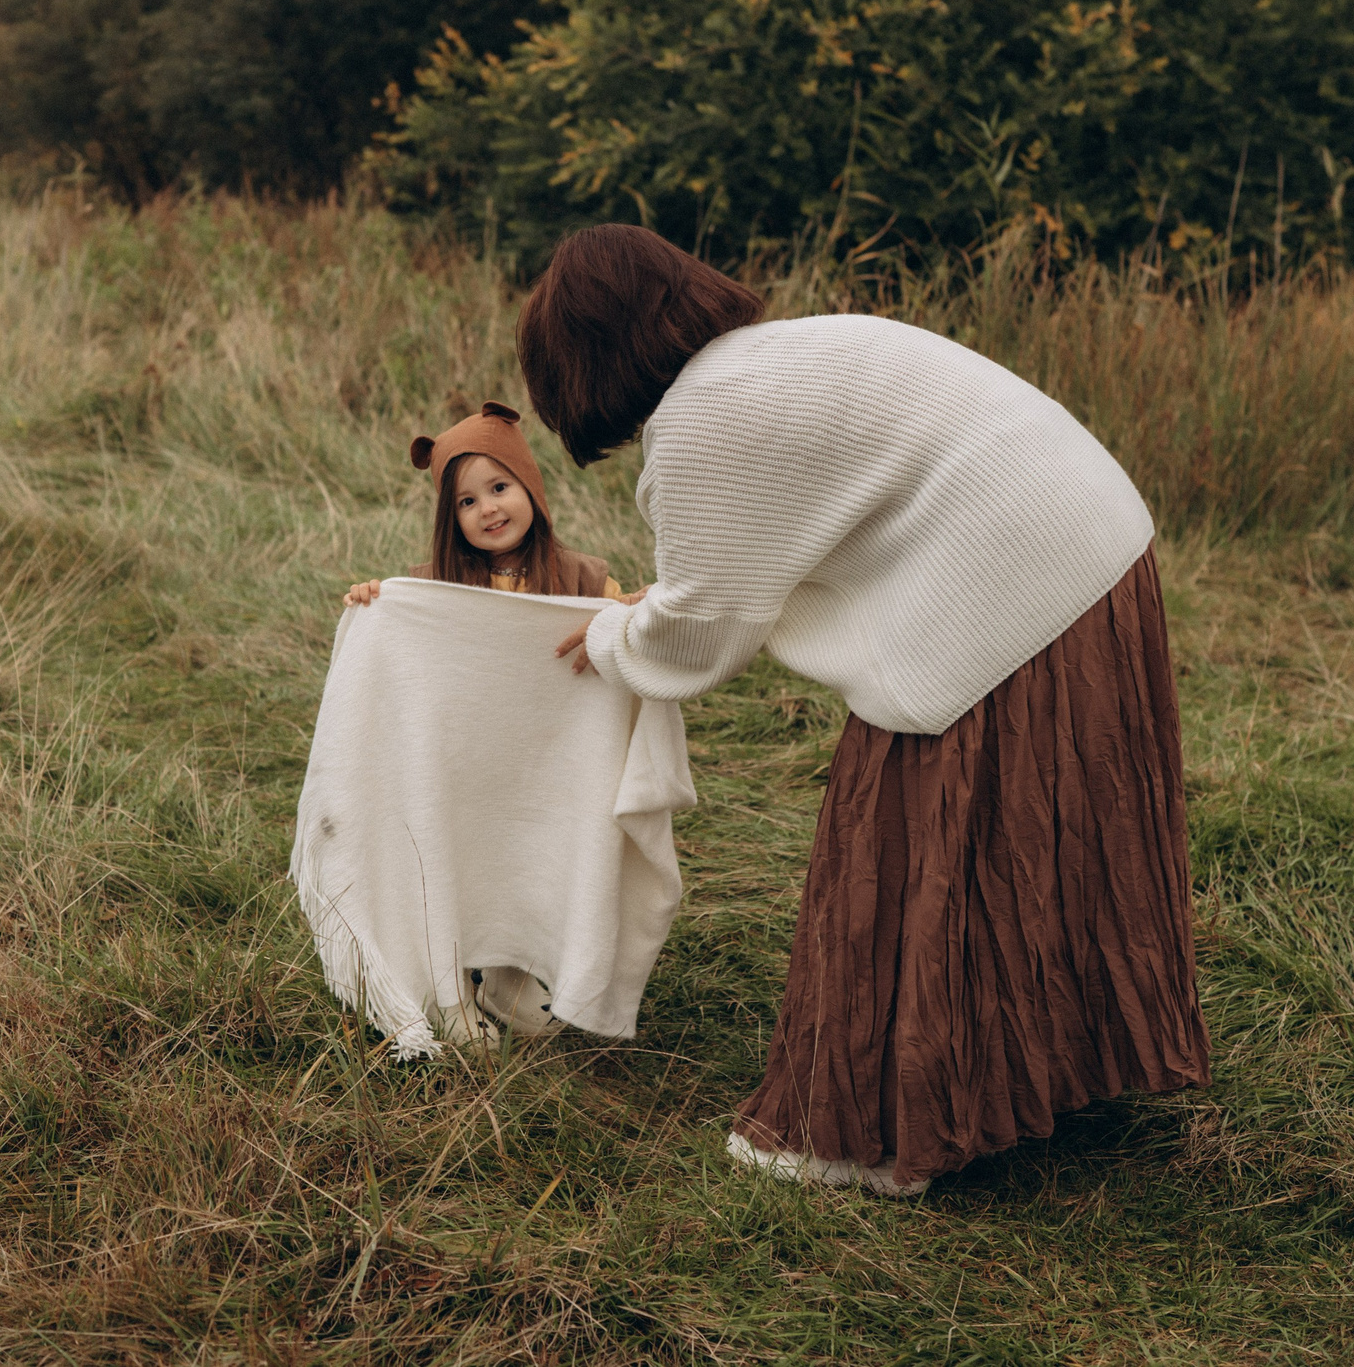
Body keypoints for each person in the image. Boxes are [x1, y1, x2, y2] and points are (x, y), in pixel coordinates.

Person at [520, 223, 1209, 1197]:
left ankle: (873, 1132)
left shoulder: (700, 416)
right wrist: (664, 606)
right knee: (1032, 836)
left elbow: (704, 635)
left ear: (583, 361)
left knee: (902, 838)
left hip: (1013, 585)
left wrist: (605, 640)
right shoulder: (787, 350)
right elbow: (760, 558)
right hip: (1094, 553)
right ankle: (1048, 1072)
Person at [343, 400, 634, 607]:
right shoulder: (436, 584)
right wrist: (373, 601)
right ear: (452, 519)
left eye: (499, 487)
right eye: (467, 501)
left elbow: (625, 634)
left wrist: (637, 609)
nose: (487, 509)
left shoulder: (581, 579)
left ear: (529, 485)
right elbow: (402, 640)